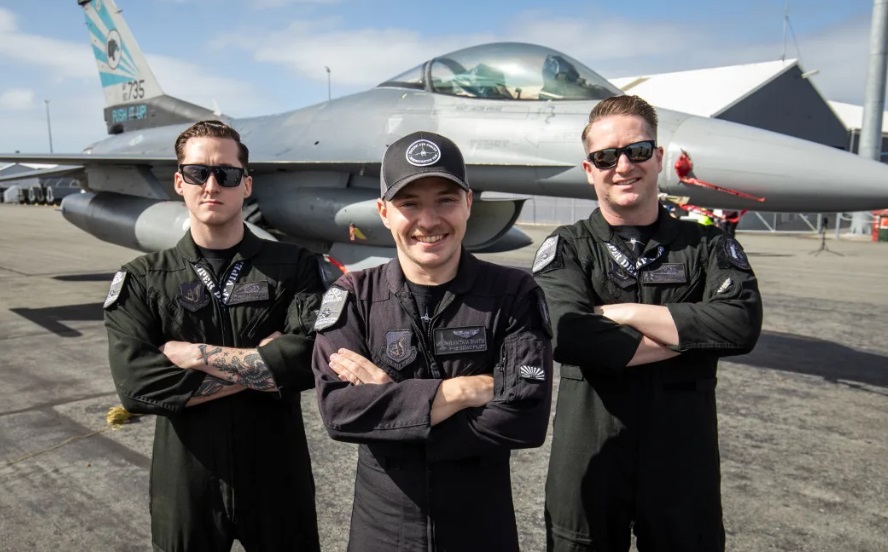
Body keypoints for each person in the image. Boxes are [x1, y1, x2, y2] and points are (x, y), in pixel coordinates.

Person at [533, 95, 763, 552]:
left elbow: (740, 324)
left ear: (657, 158)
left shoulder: (707, 246)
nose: (622, 166)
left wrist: (624, 313)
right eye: (605, 157)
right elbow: (570, 333)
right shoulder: (568, 247)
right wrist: (694, 337)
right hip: (590, 452)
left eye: (637, 151)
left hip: (683, 459)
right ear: (589, 169)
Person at [312, 131, 553, 551]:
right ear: (384, 212)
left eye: (445, 199)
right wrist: (461, 391)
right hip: (383, 532)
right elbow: (338, 411)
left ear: (468, 204)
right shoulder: (354, 296)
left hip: (481, 530)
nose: (429, 220)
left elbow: (525, 419)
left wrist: (392, 405)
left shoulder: (514, 294)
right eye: (409, 203)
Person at [104, 120, 324, 551]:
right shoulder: (143, 279)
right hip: (186, 485)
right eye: (196, 173)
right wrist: (262, 365)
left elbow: (308, 359)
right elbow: (138, 386)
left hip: (278, 479)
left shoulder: (294, 267)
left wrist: (193, 354)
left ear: (245, 185)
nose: (211, 184)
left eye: (225, 173)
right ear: (179, 182)